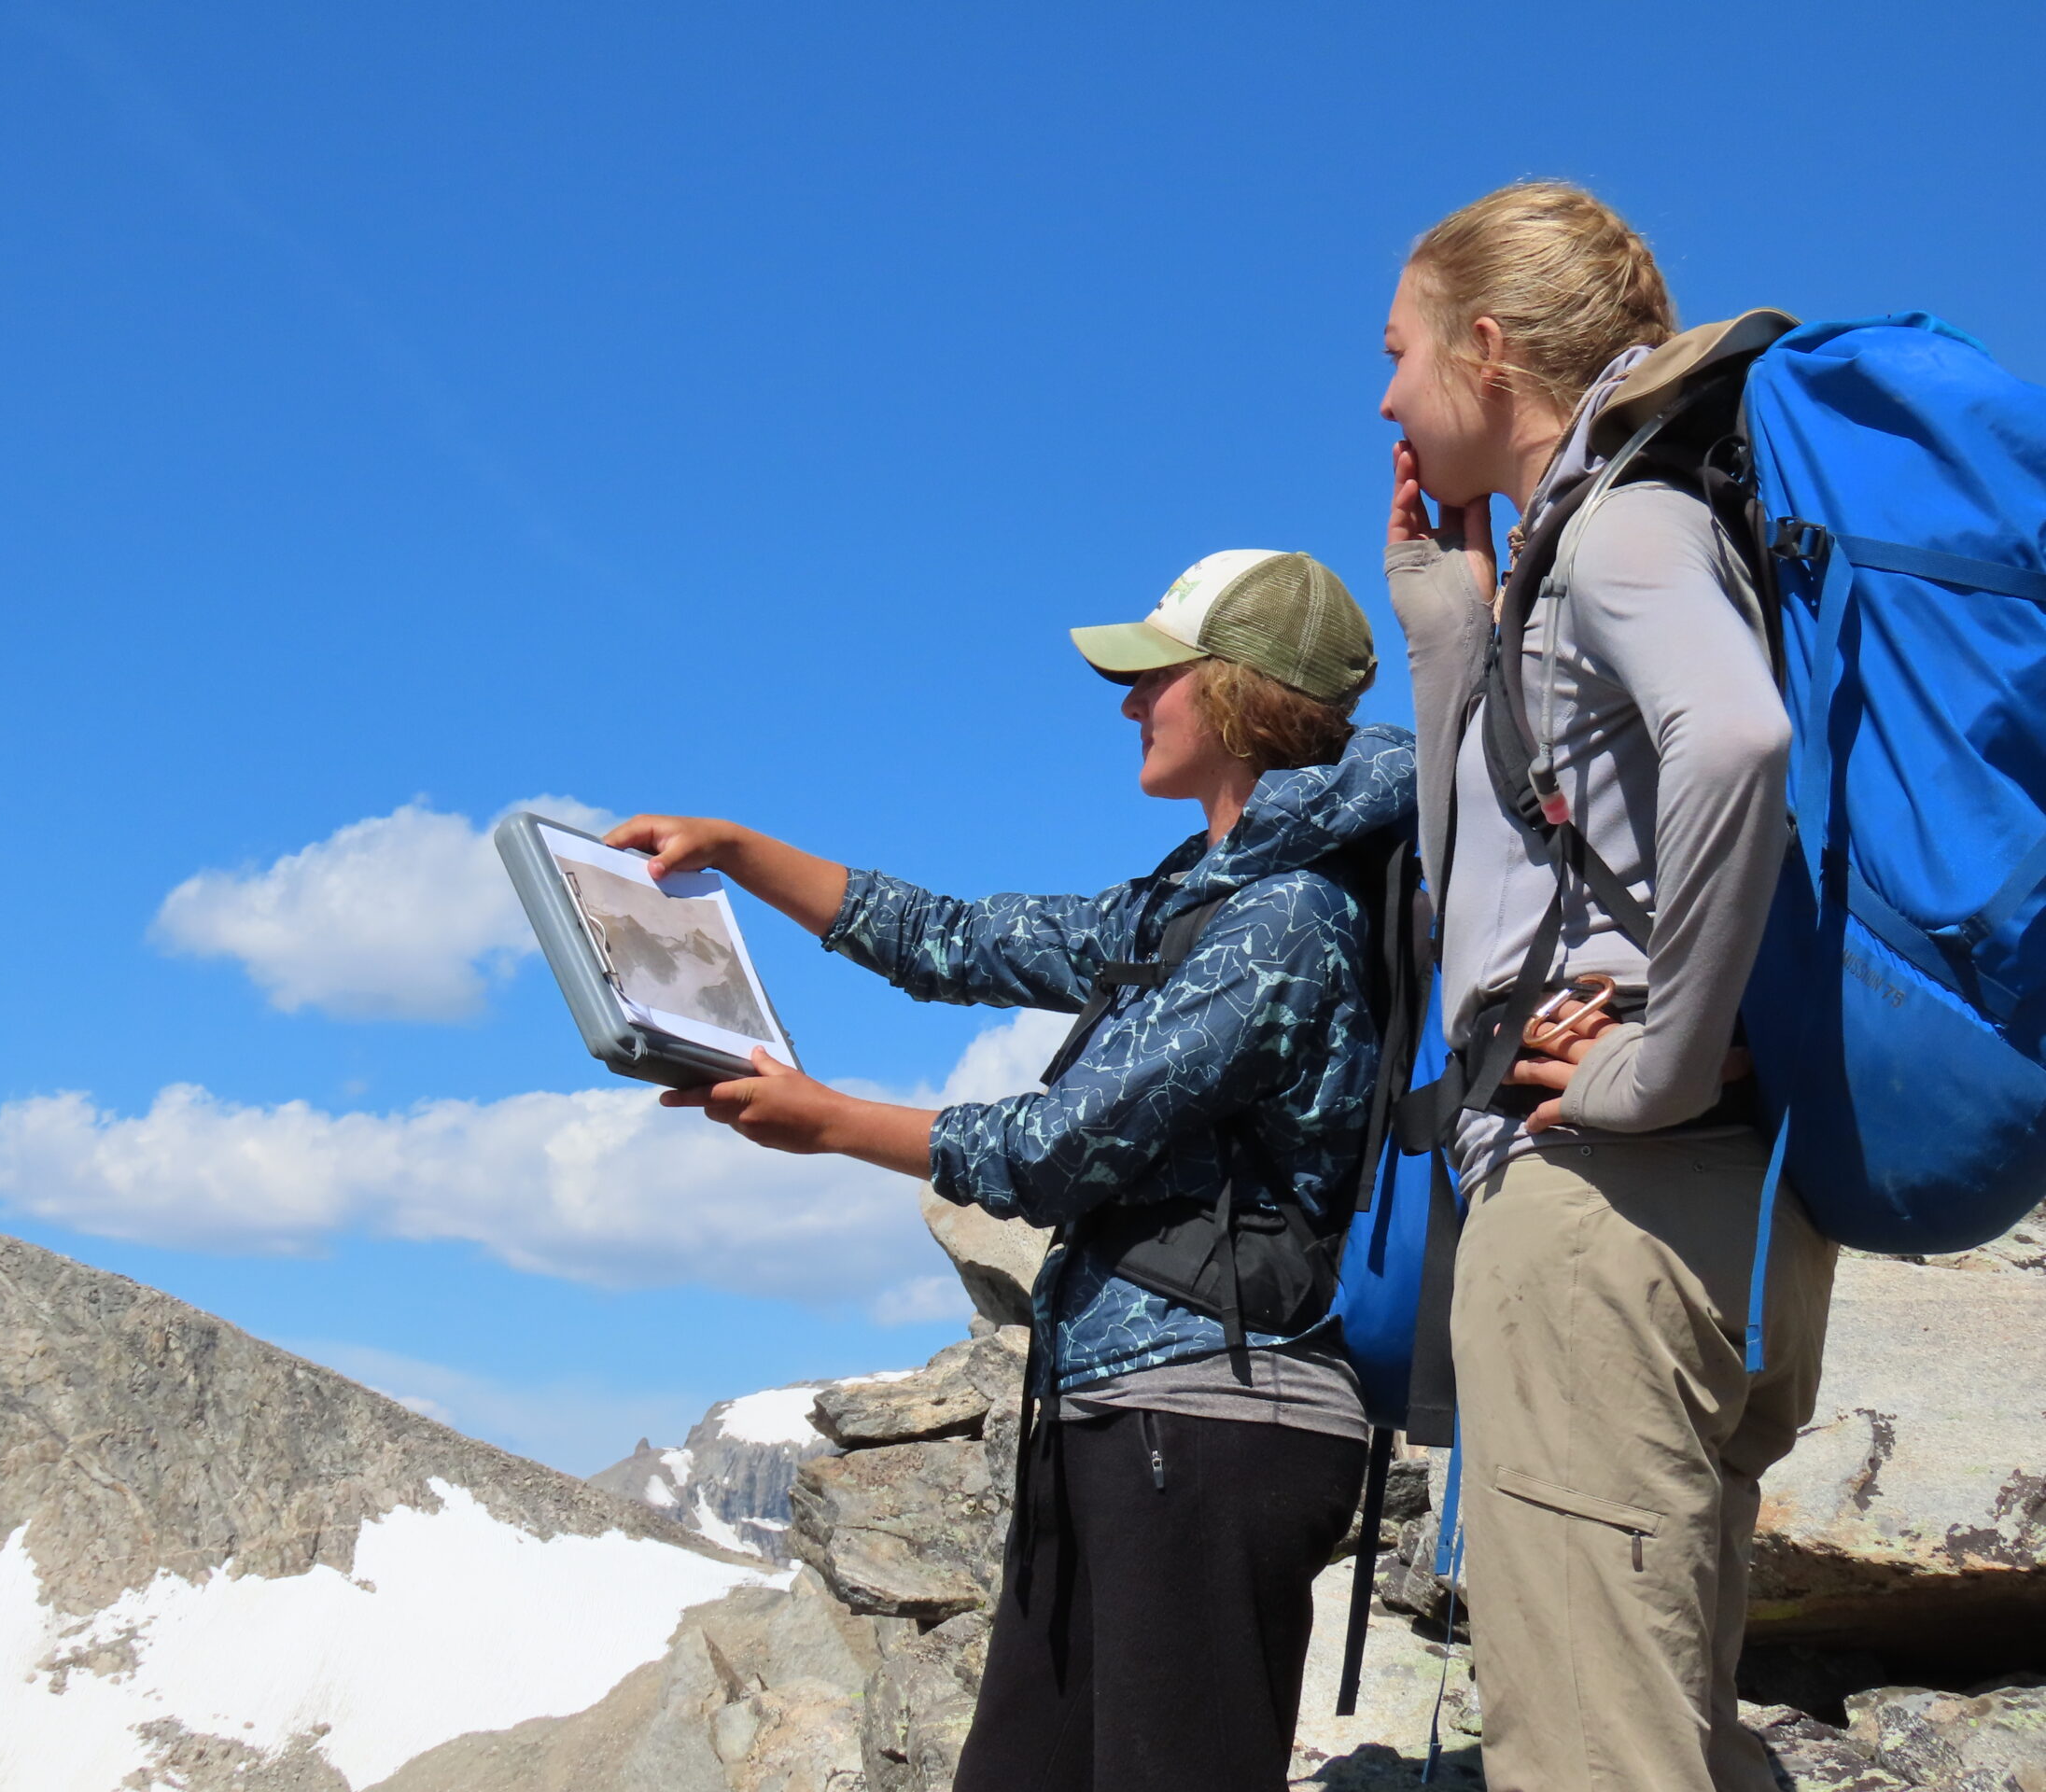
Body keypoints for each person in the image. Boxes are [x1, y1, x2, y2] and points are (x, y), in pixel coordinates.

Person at [606, 549, 1415, 1792]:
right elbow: (956, 941)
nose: (1130, 703)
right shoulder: (1201, 898)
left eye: (1158, 677)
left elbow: (1058, 1148)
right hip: (1134, 1411)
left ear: (1242, 695)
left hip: (1212, 1423)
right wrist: (739, 852)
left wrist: (826, 1121)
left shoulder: (1288, 918)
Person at [1380, 181, 1838, 1792]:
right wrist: (1452, 637)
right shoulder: (1605, 544)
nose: (1385, 396)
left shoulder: (1631, 527)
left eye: (1402, 351)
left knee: (1593, 1754)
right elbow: (1519, 886)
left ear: (1488, 351)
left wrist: (1648, 1064)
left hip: (1607, 1218)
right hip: (1703, 1219)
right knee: (1669, 1734)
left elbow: (1739, 741)